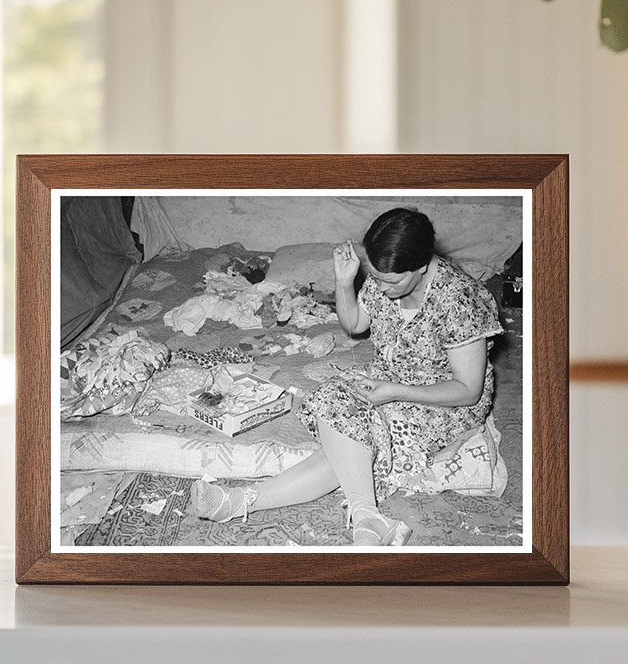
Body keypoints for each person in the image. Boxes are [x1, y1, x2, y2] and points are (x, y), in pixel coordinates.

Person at [191, 207, 504, 546]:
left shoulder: (459, 300)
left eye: (392, 282)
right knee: (335, 404)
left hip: (443, 401)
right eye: (377, 277)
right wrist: (343, 281)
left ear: (422, 265)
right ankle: (367, 519)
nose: (381, 288)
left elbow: (468, 390)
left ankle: (242, 501)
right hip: (389, 379)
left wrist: (396, 392)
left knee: (349, 441)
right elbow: (355, 324)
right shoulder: (385, 273)